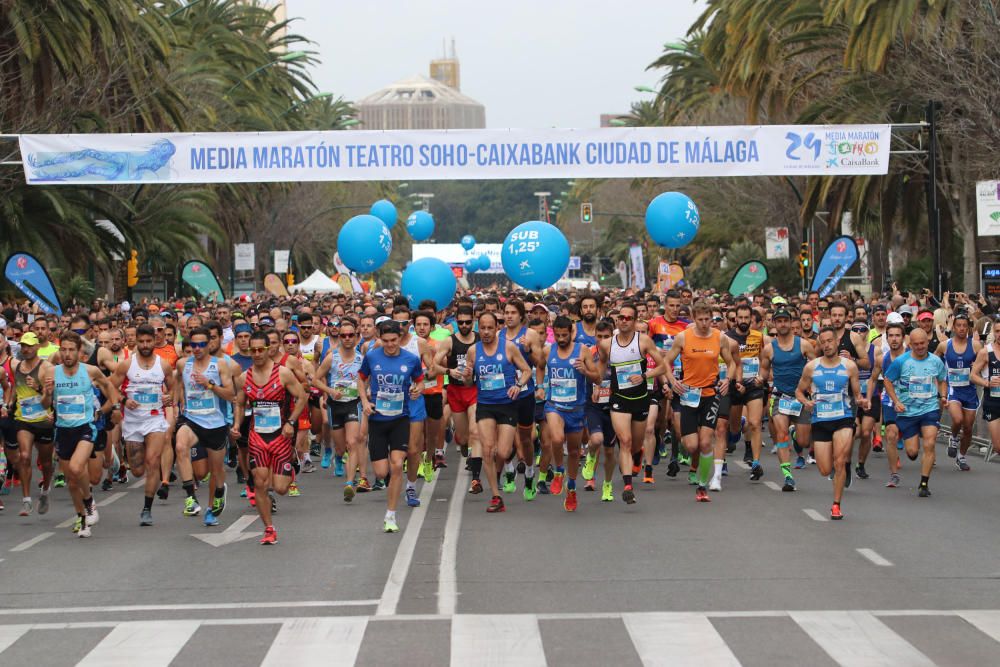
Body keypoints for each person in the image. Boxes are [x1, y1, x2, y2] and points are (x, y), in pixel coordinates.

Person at [231, 331, 307, 544]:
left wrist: (291, 422)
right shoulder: (244, 377)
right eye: (252, 350)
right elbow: (239, 402)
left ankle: (291, 465)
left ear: (268, 349)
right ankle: (269, 529)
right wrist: (237, 425)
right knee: (260, 483)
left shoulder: (282, 373)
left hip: (281, 436)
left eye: (260, 349)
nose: (256, 354)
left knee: (281, 488)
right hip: (257, 437)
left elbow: (301, 396)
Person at [662, 301, 738, 501]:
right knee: (691, 445)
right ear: (694, 319)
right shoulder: (683, 337)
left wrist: (726, 380)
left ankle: (703, 486)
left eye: (708, 319)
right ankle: (698, 471)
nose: (705, 323)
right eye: (701, 319)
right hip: (689, 396)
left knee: (706, 443)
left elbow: (731, 364)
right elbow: (666, 362)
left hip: (710, 395)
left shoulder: (719, 338)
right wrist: (672, 381)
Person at [45, 332, 118, 537]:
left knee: (77, 467)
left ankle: (89, 503)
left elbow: (109, 387)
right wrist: (47, 394)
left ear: (80, 353)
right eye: (63, 349)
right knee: (72, 479)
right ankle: (83, 519)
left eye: (71, 350)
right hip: (63, 429)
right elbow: (45, 404)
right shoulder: (51, 372)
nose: (67, 354)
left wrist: (114, 407)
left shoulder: (91, 371)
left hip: (86, 427)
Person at [357, 320, 425, 532]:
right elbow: (361, 380)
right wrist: (365, 402)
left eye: (393, 340)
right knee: (380, 472)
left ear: (400, 337)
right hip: (378, 420)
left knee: (397, 465)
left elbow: (420, 380)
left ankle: (391, 515)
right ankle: (390, 486)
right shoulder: (372, 356)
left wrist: (417, 390)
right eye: (385, 341)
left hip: (400, 419)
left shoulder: (411, 359)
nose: (390, 345)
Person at [596, 302, 667, 504]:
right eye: (621, 317)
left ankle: (639, 455)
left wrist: (644, 375)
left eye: (628, 318)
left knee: (635, 445)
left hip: (640, 399)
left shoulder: (643, 341)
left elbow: (662, 366)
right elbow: (601, 365)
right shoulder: (607, 344)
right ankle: (628, 486)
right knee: (624, 442)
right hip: (618, 399)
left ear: (635, 321)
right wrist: (596, 386)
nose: (624, 321)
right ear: (617, 320)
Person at [796, 327, 868, 520]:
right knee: (825, 469)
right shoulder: (812, 367)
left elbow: (857, 394)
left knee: (840, 461)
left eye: (830, 341)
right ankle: (835, 470)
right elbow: (799, 391)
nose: (827, 345)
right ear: (820, 344)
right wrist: (806, 402)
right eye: (823, 342)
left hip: (843, 418)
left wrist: (862, 401)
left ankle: (836, 505)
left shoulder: (849, 366)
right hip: (820, 421)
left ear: (836, 342)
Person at [464, 312, 532, 513]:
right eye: (482, 328)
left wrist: (518, 385)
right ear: (479, 328)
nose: (485, 332)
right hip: (485, 404)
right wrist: (467, 377)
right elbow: (469, 381)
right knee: (487, 450)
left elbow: (527, 370)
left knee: (502, 452)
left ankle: (509, 471)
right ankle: (496, 495)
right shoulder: (473, 351)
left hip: (507, 404)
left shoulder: (508, 347)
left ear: (496, 328)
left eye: (489, 328)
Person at [109, 324, 176, 526]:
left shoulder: (163, 366)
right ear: (135, 342)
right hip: (133, 421)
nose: (145, 345)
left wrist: (169, 398)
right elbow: (111, 386)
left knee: (152, 461)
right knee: (137, 470)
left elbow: (174, 388)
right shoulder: (127, 365)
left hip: (155, 419)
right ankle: (117, 461)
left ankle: (147, 508)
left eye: (149, 341)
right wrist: (122, 401)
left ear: (154, 341)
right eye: (141, 342)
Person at [173, 327, 235, 525]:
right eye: (193, 345)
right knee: (180, 446)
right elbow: (176, 382)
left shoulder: (220, 365)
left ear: (209, 344)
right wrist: (174, 402)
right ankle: (190, 496)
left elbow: (230, 394)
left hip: (215, 423)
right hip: (192, 419)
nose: (197, 348)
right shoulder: (184, 364)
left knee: (216, 471)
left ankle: (213, 503)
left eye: (201, 345)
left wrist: (210, 385)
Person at [541, 316, 601, 511]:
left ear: (571, 332)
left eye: (564, 335)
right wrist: (541, 386)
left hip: (576, 408)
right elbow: (540, 367)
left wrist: (585, 370)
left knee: (574, 452)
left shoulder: (582, 350)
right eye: (557, 335)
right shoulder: (548, 350)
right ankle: (559, 471)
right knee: (557, 439)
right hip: (554, 405)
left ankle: (572, 488)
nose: (560, 339)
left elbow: (597, 377)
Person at [881, 328, 947, 498]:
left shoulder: (935, 361)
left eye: (922, 343)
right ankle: (912, 448)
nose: (919, 347)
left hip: (930, 408)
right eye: (916, 344)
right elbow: (887, 381)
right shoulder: (901, 361)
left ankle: (924, 483)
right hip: (908, 412)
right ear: (910, 345)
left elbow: (942, 379)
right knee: (912, 452)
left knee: (930, 443)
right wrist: (896, 401)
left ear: (927, 342)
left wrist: (944, 396)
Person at [760, 308, 815, 492]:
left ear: (791, 322)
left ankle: (795, 435)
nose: (782, 324)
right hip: (779, 397)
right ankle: (788, 476)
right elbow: (764, 372)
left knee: (804, 441)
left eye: (785, 320)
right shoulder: (769, 349)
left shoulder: (804, 345)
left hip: (800, 398)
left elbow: (815, 368)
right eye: (779, 321)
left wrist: (813, 389)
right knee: (781, 433)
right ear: (774, 324)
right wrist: (759, 379)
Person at [313, 318, 367, 502]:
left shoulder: (361, 359)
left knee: (352, 442)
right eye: (343, 335)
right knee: (341, 447)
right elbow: (316, 379)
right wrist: (329, 391)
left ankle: (349, 483)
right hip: (335, 405)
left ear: (357, 337)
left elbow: (368, 381)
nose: (347, 338)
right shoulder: (332, 357)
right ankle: (339, 458)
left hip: (353, 403)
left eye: (351, 335)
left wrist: (365, 396)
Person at [434, 305, 480, 492]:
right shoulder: (449, 341)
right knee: (462, 437)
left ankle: (476, 479)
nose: (464, 325)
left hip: (475, 390)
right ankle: (463, 445)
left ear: (473, 320)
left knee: (475, 431)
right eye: (460, 322)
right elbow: (434, 364)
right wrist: (449, 371)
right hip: (455, 390)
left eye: (468, 322)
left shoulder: (479, 340)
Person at [934, 313, 980, 471]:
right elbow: (933, 361)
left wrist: (977, 368)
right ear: (954, 327)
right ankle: (953, 438)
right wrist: (939, 380)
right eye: (958, 325)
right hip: (953, 390)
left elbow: (984, 364)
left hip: (970, 391)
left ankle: (961, 456)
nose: (961, 328)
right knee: (958, 419)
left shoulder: (975, 345)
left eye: (964, 326)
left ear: (968, 328)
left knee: (968, 428)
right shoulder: (945, 345)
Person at [726, 304, 767, 480]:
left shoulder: (759, 337)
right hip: (735, 386)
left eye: (746, 318)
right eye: (740, 318)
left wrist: (762, 377)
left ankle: (756, 463)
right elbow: (726, 364)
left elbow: (764, 360)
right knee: (735, 428)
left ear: (751, 319)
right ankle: (733, 433)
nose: (743, 321)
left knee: (755, 423)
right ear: (735, 319)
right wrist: (735, 380)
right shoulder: (727, 338)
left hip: (753, 386)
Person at [868, 322, 908, 487]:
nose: (894, 339)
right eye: (890, 335)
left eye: (897, 335)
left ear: (903, 338)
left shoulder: (912, 356)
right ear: (886, 338)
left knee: (912, 451)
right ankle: (894, 474)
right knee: (890, 434)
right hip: (889, 401)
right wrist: (868, 398)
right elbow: (872, 379)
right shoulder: (881, 359)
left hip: (910, 402)